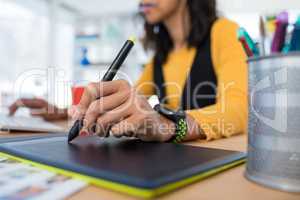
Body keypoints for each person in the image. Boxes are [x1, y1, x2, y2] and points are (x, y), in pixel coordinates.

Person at [9, 0, 247, 142]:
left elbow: (239, 109)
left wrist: (171, 125)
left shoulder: (225, 32)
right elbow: (126, 102)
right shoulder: (159, 59)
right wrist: (65, 111)